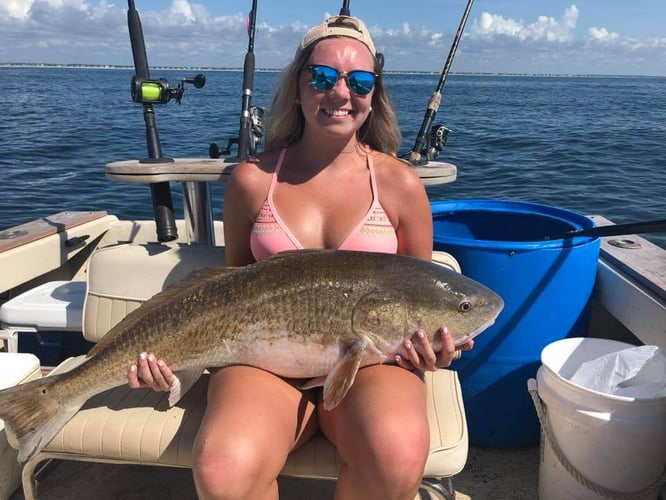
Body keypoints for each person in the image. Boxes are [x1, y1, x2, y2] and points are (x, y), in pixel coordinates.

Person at [128, 15, 473, 500]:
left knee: (395, 455)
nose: (340, 93)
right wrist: (170, 358)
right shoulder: (252, 181)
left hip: (371, 363)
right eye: (323, 77)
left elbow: (420, 286)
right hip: (262, 363)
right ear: (298, 86)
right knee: (224, 469)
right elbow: (232, 287)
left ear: (374, 93)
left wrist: (433, 349)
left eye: (359, 81)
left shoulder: (400, 185)